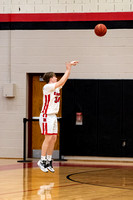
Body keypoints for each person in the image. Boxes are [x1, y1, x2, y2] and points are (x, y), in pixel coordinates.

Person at [37, 61, 79, 173]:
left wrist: (69, 70)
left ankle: (49, 160)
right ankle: (42, 160)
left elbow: (63, 81)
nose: (56, 78)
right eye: (55, 76)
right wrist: (68, 68)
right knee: (48, 138)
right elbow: (61, 81)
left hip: (53, 116)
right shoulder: (47, 87)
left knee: (54, 138)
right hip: (46, 116)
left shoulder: (56, 88)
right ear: (51, 78)